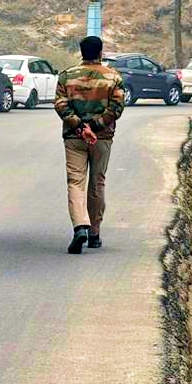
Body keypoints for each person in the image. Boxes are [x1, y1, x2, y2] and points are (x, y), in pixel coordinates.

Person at [53, 36, 125, 254]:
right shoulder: (113, 78)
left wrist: (79, 126)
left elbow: (60, 104)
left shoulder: (67, 76)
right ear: (100, 53)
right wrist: (94, 126)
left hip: (74, 138)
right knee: (97, 183)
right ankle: (94, 233)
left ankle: (79, 227)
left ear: (81, 53)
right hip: (101, 138)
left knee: (75, 181)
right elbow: (116, 109)